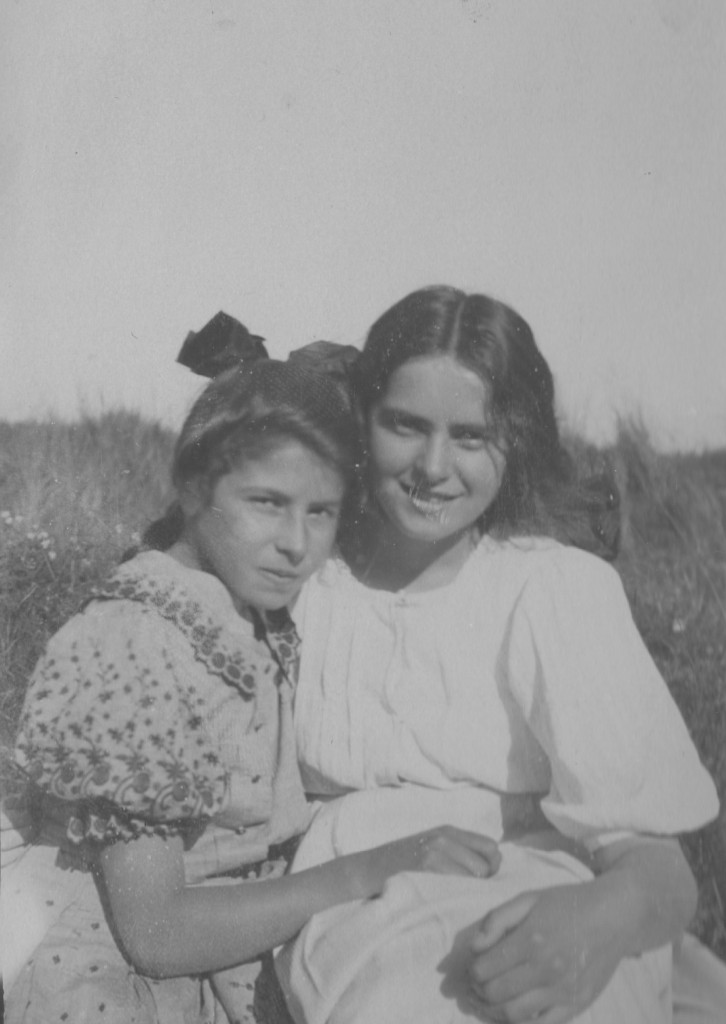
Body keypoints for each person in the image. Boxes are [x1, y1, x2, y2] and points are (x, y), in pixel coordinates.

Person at [1, 326, 502, 1024]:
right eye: (267, 502)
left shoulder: (245, 605)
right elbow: (156, 933)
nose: (296, 544)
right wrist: (366, 869)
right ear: (194, 488)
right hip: (111, 967)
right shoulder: (134, 642)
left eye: (321, 512)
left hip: (232, 936)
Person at [275, 285, 726, 1024]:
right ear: (363, 420)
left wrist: (593, 925)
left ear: (515, 443)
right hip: (367, 909)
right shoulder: (306, 584)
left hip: (551, 906)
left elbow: (660, 878)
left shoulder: (555, 588)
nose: (433, 465)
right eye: (405, 425)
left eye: (472, 436)